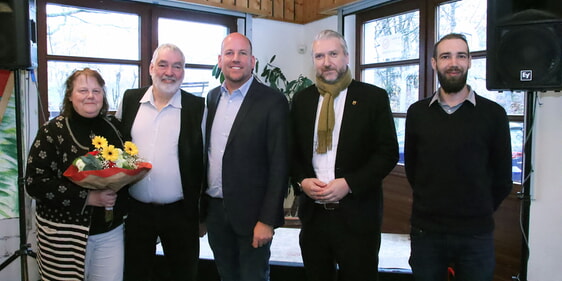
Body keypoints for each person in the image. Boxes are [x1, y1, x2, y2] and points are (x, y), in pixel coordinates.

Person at [290, 29, 399, 281]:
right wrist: (302, 181)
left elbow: (387, 153)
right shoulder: (302, 100)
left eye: (333, 54)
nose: (326, 62)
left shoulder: (373, 98)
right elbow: (292, 151)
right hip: (314, 217)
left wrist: (350, 184)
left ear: (346, 56)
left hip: (358, 218)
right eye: (319, 56)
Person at [404, 33, 513, 281]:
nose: (454, 62)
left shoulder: (494, 114)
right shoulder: (417, 113)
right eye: (446, 56)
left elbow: (502, 179)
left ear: (469, 61)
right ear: (434, 64)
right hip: (426, 233)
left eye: (460, 56)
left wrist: (477, 209)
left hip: (476, 235)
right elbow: (413, 169)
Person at [201, 32, 289, 281]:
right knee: (226, 276)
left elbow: (280, 164)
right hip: (216, 213)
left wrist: (267, 220)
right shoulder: (212, 97)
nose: (235, 59)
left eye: (242, 53)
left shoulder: (273, 101)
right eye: (229, 53)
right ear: (220, 60)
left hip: (253, 217)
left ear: (253, 61)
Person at [26, 68, 125, 281]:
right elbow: (35, 183)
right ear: (70, 96)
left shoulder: (114, 128)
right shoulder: (51, 131)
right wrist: (88, 198)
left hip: (109, 232)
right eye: (83, 90)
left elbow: (129, 165)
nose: (90, 96)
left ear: (103, 96)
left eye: (96, 91)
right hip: (63, 234)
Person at [116, 43, 205, 281]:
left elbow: (206, 161)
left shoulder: (197, 107)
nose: (170, 72)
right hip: (137, 212)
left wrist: (202, 215)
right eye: (163, 64)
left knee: (184, 274)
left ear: (183, 72)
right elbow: (116, 149)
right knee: (135, 274)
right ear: (151, 67)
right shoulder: (129, 100)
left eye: (177, 66)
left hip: (180, 214)